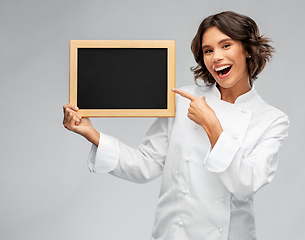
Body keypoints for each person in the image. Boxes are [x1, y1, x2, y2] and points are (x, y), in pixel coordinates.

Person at [63, 11, 289, 240]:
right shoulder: (183, 100)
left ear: (248, 49)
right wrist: (92, 134)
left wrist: (211, 124)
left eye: (226, 45)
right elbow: (145, 164)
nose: (216, 57)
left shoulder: (271, 119)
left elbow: (245, 184)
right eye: (208, 50)